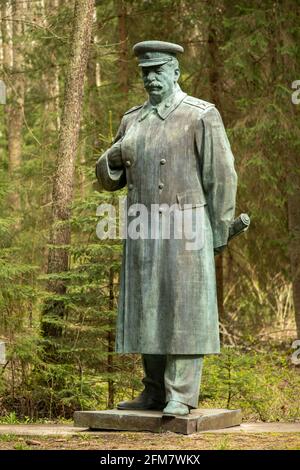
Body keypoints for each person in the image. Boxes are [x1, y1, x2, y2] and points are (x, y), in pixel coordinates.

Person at [95, 40, 237, 416]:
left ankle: (182, 395)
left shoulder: (200, 115)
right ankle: (154, 390)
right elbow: (109, 180)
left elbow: (221, 177)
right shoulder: (131, 120)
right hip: (143, 229)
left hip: (188, 227)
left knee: (184, 308)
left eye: (158, 70)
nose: (151, 78)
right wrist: (112, 155)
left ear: (176, 72)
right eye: (145, 72)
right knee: (147, 308)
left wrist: (219, 231)